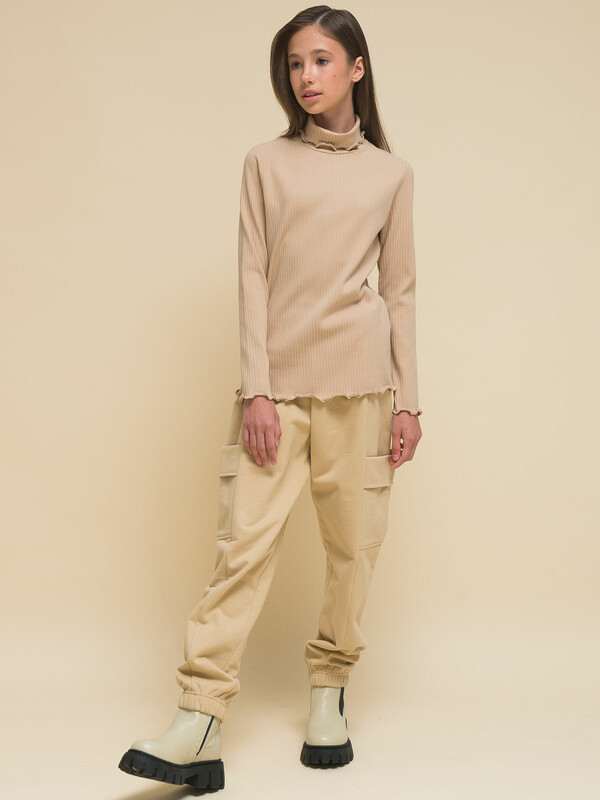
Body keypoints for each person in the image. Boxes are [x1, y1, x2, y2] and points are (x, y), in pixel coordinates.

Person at [118, 4, 422, 791]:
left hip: (362, 388)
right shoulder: (265, 162)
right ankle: (200, 718)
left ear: (356, 68)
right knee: (242, 550)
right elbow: (251, 276)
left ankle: (328, 690)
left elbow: (400, 290)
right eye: (295, 63)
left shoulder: (391, 174)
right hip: (276, 392)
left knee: (354, 550)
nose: (306, 76)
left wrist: (409, 402)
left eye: (321, 60)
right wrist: (257, 389)